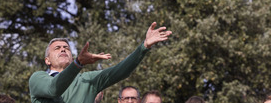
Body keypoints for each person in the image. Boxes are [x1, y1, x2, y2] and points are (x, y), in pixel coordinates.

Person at [29, 22, 172, 103]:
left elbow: (121, 71)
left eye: (66, 48)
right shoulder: (38, 78)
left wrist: (144, 47)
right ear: (47, 60)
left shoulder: (87, 80)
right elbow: (54, 89)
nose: (63, 50)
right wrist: (78, 64)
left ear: (71, 57)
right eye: (57, 48)